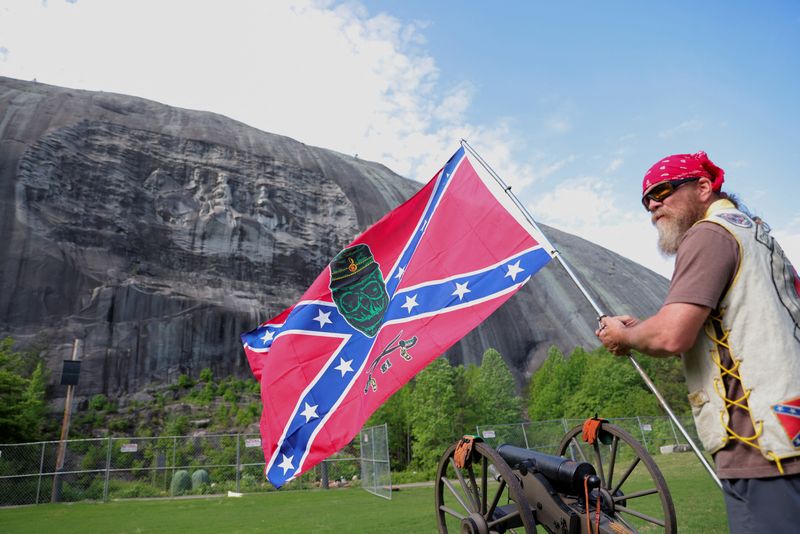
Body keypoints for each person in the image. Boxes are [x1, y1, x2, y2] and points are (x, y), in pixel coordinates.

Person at [595, 151, 800, 533]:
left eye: (663, 190)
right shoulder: (755, 234)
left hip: (762, 444)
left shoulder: (708, 233)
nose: (653, 205)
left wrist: (626, 336)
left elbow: (673, 334)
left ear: (704, 187)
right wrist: (645, 329)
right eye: (646, 201)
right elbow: (731, 333)